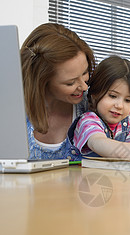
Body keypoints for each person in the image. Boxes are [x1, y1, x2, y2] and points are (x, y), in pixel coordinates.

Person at [20, 23, 95, 160]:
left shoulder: (93, 106)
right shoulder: (12, 114)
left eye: (85, 73)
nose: (84, 87)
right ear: (41, 82)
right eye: (70, 82)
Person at [70, 55, 130, 160]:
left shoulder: (127, 121)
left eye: (128, 100)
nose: (119, 106)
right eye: (112, 96)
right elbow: (97, 142)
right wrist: (128, 150)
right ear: (94, 95)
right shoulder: (88, 120)